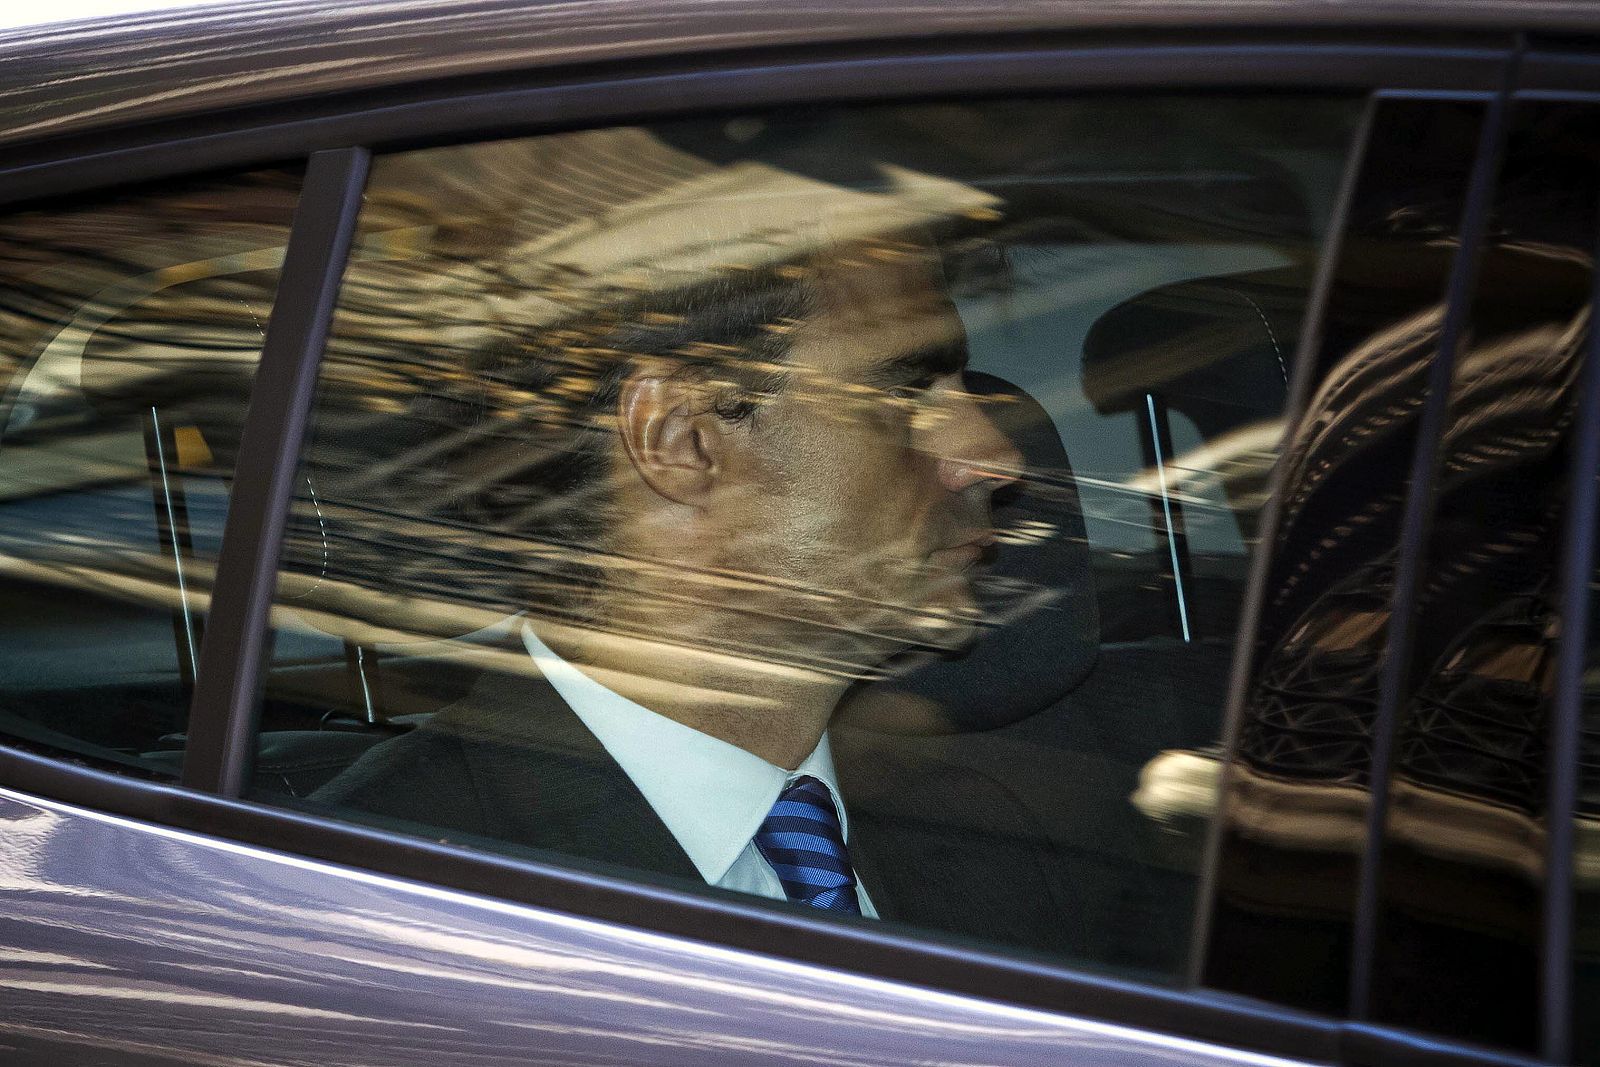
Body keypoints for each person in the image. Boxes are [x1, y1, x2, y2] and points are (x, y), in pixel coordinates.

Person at [315, 235, 1080, 948]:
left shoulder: (983, 833)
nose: (996, 454)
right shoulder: (388, 904)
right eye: (907, 391)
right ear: (681, 440)